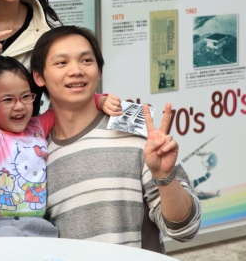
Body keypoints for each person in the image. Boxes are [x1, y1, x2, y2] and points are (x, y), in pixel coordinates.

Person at [30, 26, 201, 253]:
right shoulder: (34, 154)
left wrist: (165, 177)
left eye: (86, 60)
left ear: (99, 71)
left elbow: (186, 229)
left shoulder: (135, 132)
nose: (76, 70)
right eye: (61, 63)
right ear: (39, 76)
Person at [0, 19, 120, 237]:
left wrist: (99, 100)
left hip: (41, 225)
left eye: (25, 96)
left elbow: (69, 106)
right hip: (0, 226)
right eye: (7, 99)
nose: (19, 106)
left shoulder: (38, 126)